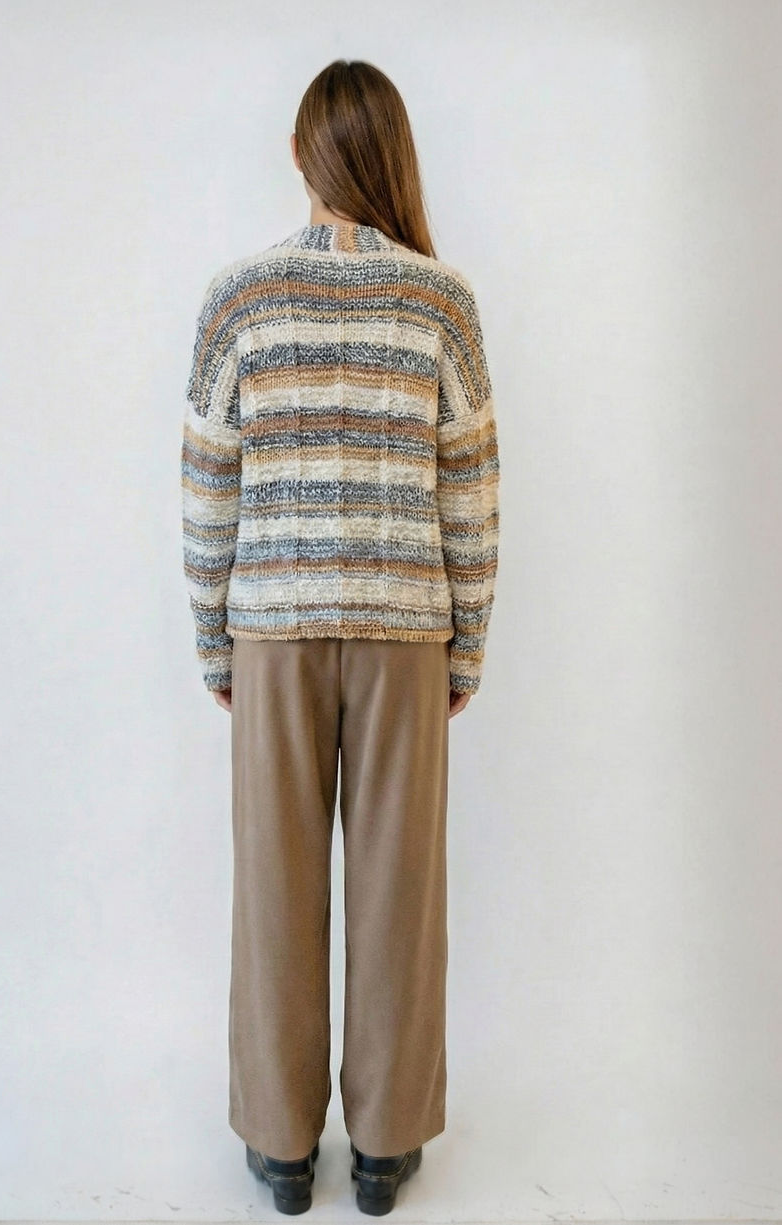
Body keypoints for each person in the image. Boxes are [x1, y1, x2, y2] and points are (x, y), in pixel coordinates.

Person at [180, 59, 500, 1216]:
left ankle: (276, 1147)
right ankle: (382, 1146)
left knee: (273, 884)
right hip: (405, 631)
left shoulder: (238, 299)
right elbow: (469, 492)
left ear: (300, 159)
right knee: (397, 887)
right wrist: (463, 647)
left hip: (271, 628)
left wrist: (218, 643)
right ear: (389, 159)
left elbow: (206, 487)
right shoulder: (440, 302)